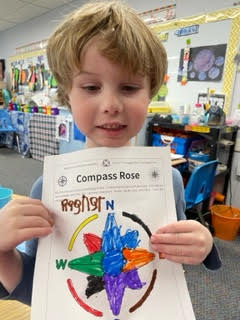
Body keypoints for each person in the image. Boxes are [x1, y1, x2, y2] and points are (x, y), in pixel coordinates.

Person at [0, 0, 221, 307]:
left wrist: (202, 244)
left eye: (129, 87)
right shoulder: (47, 189)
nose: (111, 104)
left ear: (150, 94)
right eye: (91, 87)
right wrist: (2, 251)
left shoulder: (167, 182)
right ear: (67, 94)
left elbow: (172, 267)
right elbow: (39, 292)